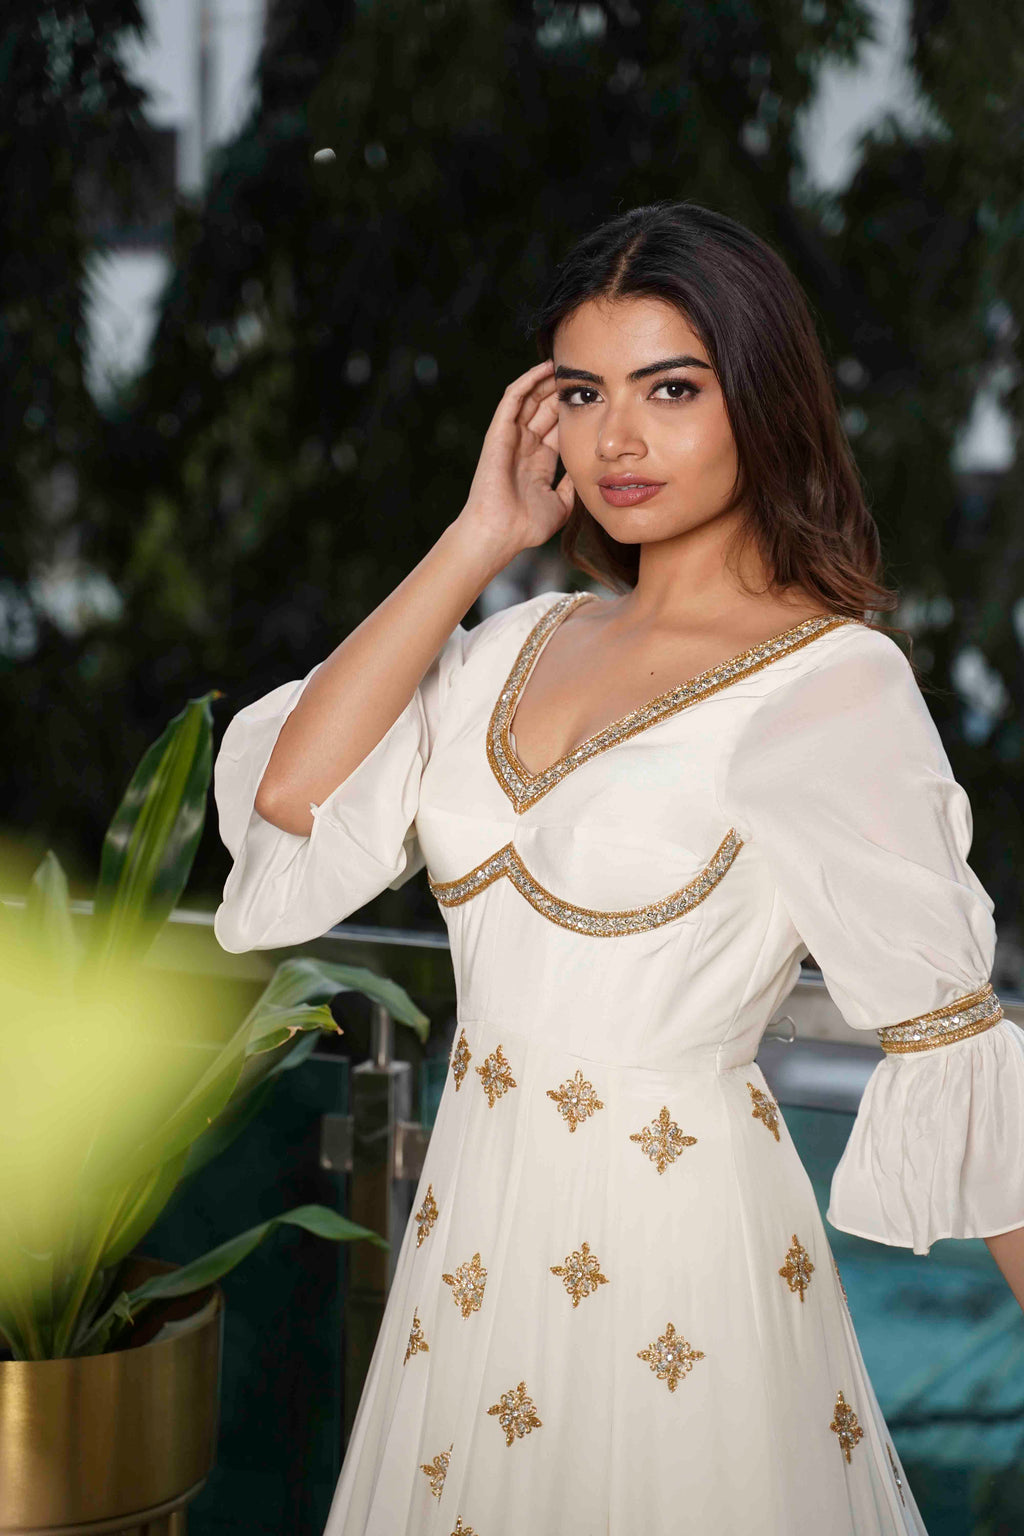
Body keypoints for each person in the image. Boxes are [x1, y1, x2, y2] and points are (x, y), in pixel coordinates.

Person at [211, 202, 1024, 1535]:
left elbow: (955, 1050)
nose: (618, 439)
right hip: (469, 1249)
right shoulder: (516, 639)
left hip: (679, 1268)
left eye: (673, 389)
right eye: (583, 393)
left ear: (761, 402)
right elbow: (297, 794)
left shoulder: (834, 684)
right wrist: (480, 534)